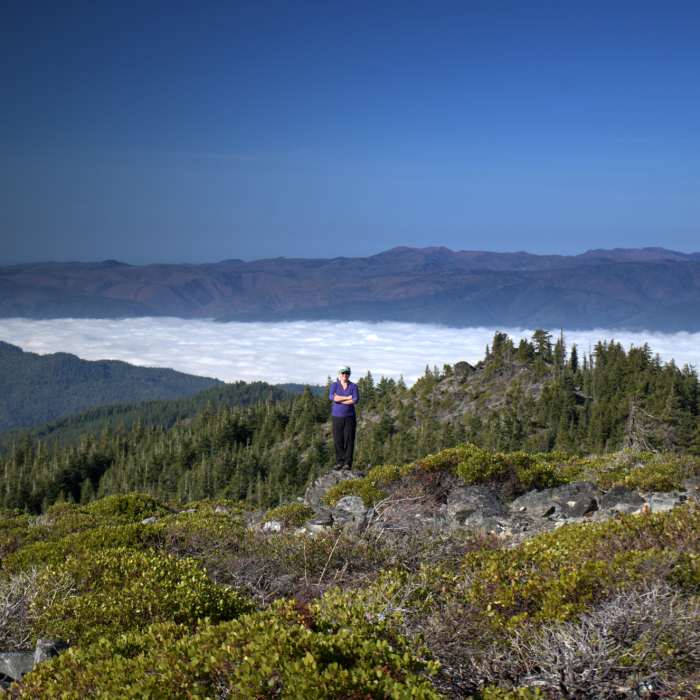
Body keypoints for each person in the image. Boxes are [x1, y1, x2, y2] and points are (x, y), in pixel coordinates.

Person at [329, 365, 359, 469]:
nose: (345, 375)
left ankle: (347, 463)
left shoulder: (353, 386)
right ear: (339, 374)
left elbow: (355, 400)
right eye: (343, 373)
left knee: (349, 440)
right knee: (338, 440)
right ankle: (339, 462)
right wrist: (347, 398)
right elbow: (332, 397)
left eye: (347, 373)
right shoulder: (334, 385)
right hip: (337, 417)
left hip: (350, 417)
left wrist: (339, 399)